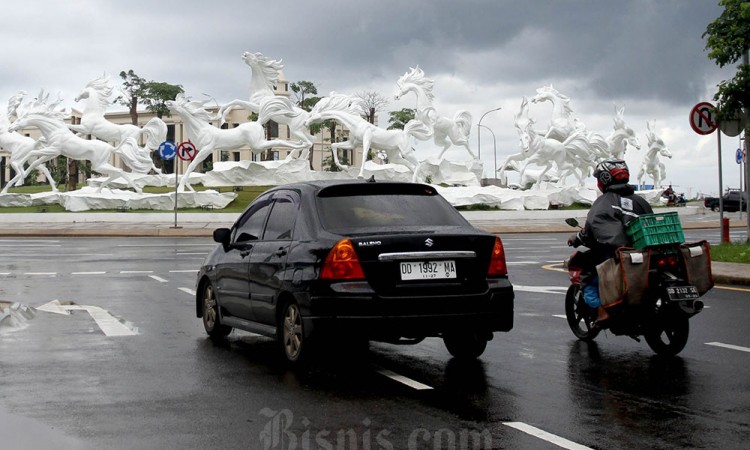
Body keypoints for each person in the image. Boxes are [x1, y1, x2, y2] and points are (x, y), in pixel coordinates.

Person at [568, 159, 653, 325]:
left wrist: (577, 238)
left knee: (587, 275)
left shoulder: (604, 202)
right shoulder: (640, 201)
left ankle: (602, 311)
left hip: (616, 253)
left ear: (605, 180)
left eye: (599, 178)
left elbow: (592, 230)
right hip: (644, 252)